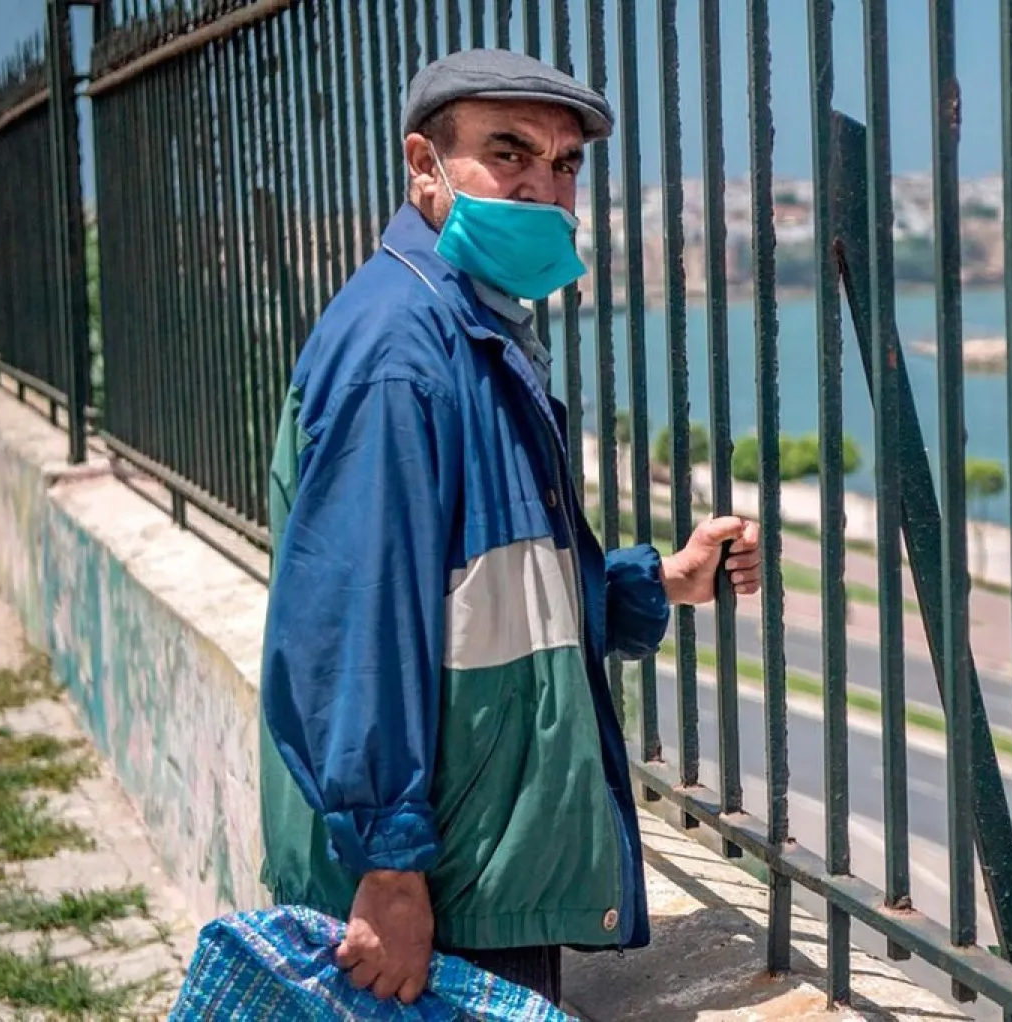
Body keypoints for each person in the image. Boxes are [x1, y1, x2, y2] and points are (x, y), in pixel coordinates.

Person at [258, 48, 762, 1010]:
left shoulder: (470, 331)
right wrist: (388, 869)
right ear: (425, 165)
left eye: (564, 162)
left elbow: (492, 587)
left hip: (477, 857)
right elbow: (354, 627)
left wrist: (661, 581)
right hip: (437, 882)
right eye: (508, 152)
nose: (544, 185)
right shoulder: (402, 354)